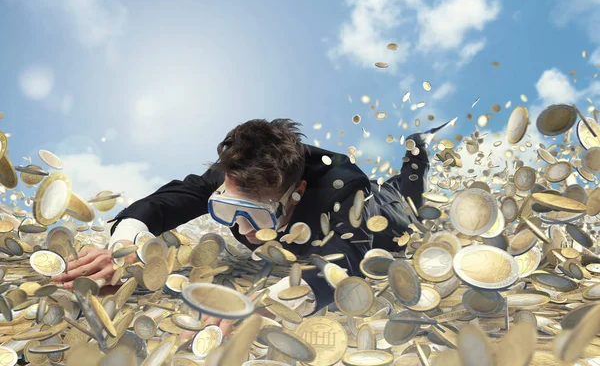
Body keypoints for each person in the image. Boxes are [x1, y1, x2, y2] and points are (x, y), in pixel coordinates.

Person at [52, 118, 432, 327]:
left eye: (257, 217)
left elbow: (352, 256)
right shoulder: (233, 173)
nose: (245, 232)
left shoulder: (343, 188)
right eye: (230, 212)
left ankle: (417, 150)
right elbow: (165, 203)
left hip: (384, 212)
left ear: (296, 192)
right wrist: (124, 249)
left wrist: (271, 302)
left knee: (406, 198)